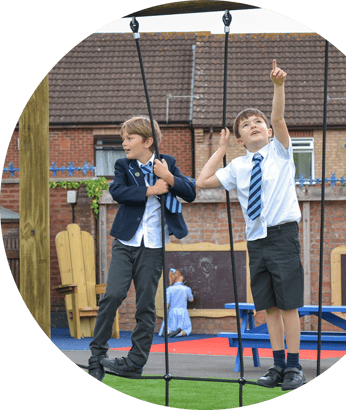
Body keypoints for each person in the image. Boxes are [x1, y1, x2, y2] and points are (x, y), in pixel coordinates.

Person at [196, 60, 305, 390]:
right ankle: (276, 365)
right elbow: (202, 182)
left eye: (258, 122)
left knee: (288, 304)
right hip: (256, 240)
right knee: (269, 305)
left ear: (268, 132)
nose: (254, 125)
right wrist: (220, 150)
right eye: (246, 125)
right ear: (240, 140)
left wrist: (278, 86)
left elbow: (279, 117)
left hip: (283, 235)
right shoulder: (239, 167)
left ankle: (295, 367)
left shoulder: (280, 153)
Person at [88, 116, 196, 381]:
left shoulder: (166, 162)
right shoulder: (123, 165)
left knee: (146, 305)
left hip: (154, 246)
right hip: (126, 243)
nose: (124, 143)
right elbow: (118, 192)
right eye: (123, 138)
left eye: (129, 138)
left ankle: (135, 361)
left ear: (148, 141)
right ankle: (96, 356)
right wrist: (152, 189)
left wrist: (168, 177)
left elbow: (190, 192)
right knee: (113, 295)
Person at [158, 268, 194, 338]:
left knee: (170, 326)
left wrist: (164, 314)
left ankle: (168, 332)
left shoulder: (169, 289)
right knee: (186, 329)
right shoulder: (186, 289)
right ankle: (179, 333)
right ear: (180, 277)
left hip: (172, 312)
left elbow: (166, 303)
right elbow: (191, 299)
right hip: (182, 312)